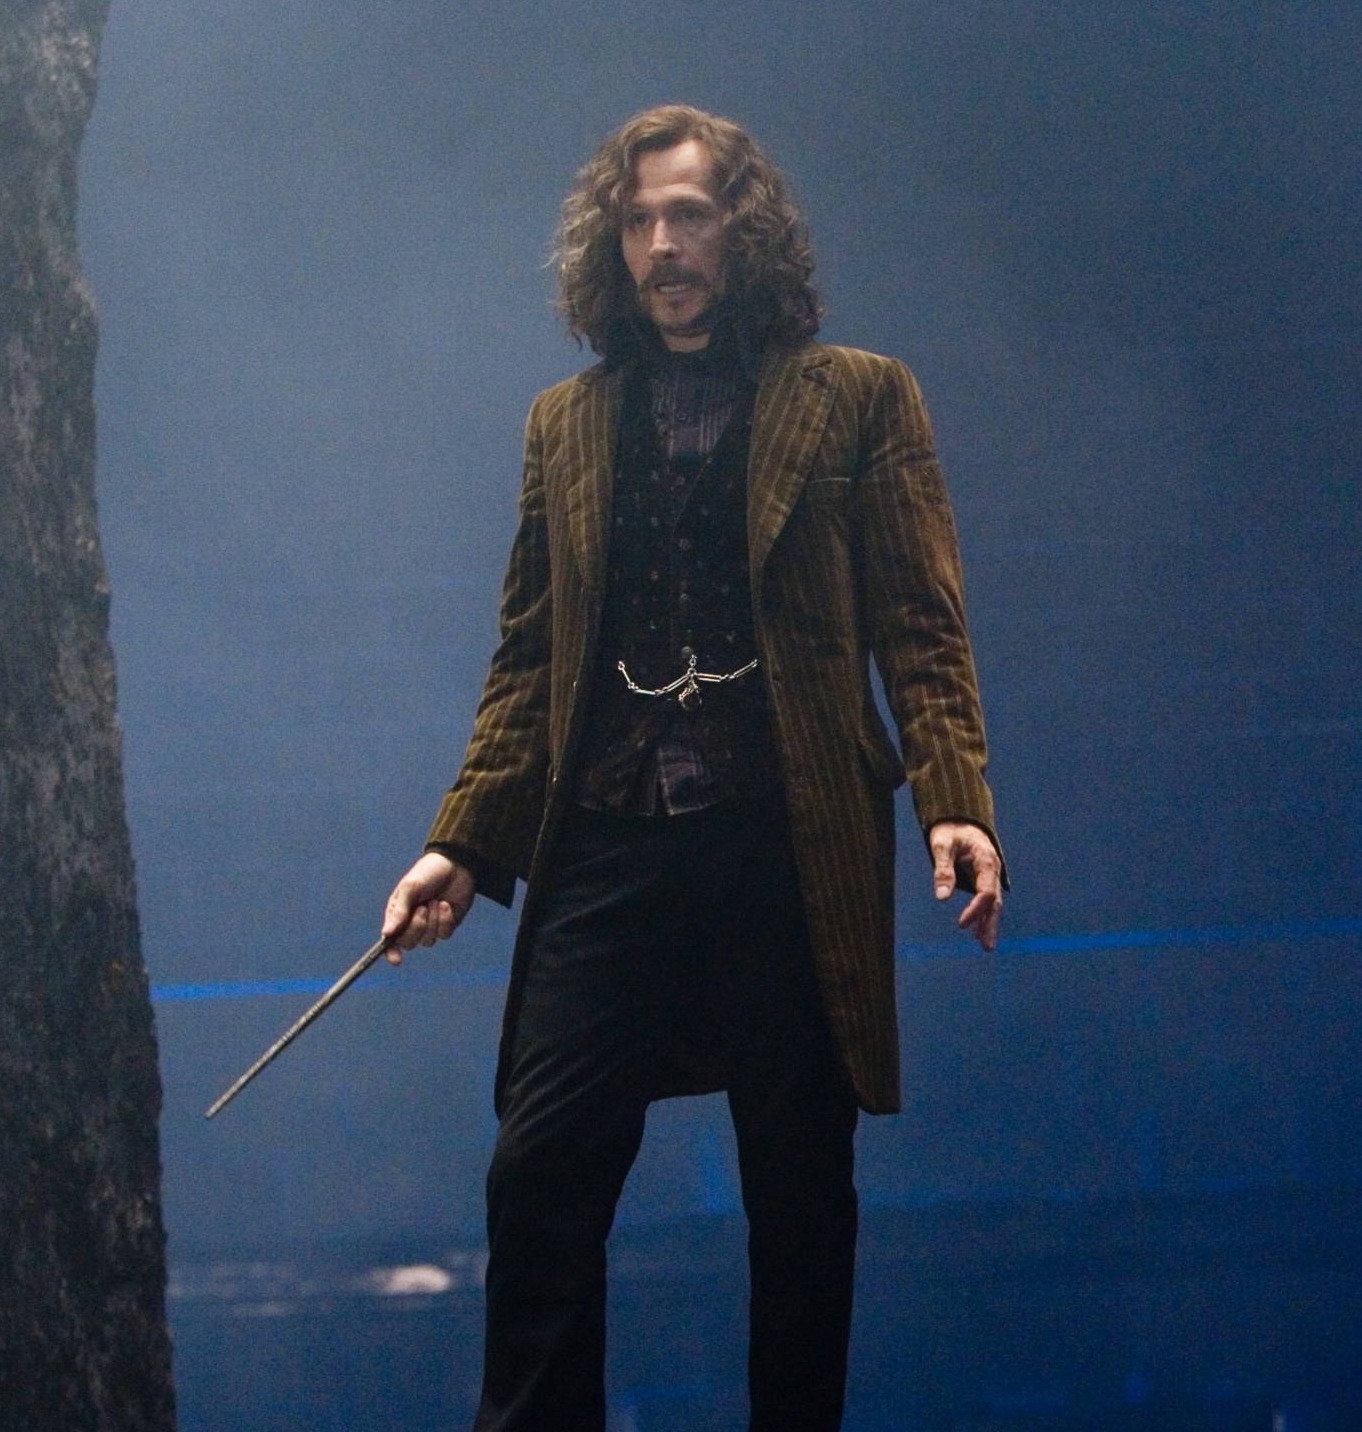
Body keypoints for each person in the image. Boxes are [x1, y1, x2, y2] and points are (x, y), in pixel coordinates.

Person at [377, 105, 1005, 1431]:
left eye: (688, 215)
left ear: (741, 230)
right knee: (538, 1170)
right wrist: (461, 842)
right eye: (637, 221)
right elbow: (529, 655)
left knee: (797, 1187)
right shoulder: (565, 424)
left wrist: (955, 804)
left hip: (786, 835)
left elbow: (920, 622)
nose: (662, 244)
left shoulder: (858, 395)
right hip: (608, 834)